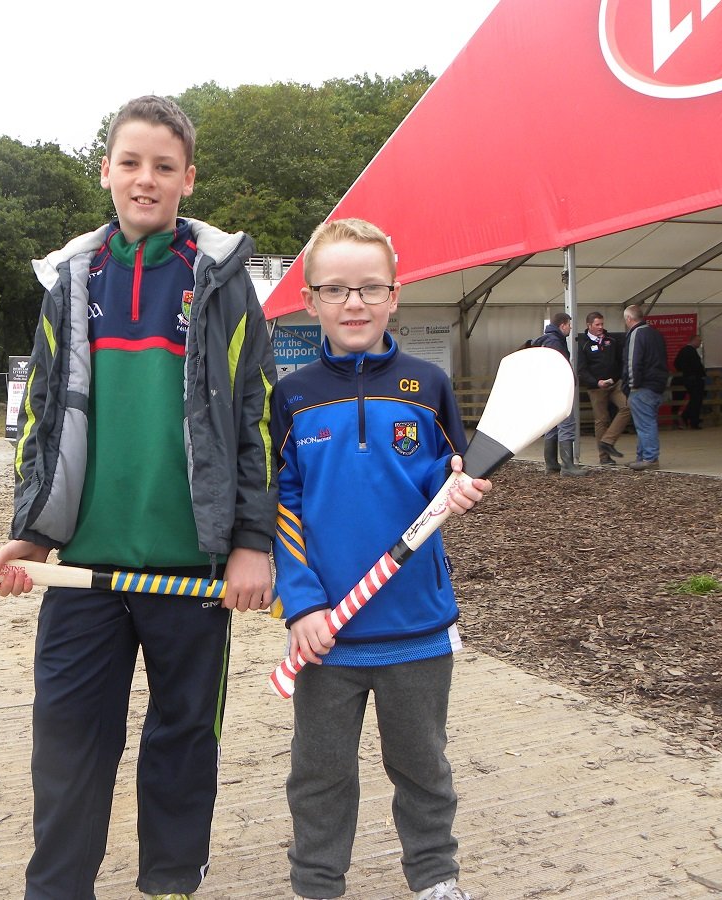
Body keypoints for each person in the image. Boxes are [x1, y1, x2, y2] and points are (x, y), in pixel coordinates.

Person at [0, 95, 277, 900]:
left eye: (164, 167)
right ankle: (58, 889)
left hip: (192, 572)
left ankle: (171, 885)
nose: (146, 179)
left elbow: (254, 414)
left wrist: (254, 539)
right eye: (131, 162)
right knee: (70, 742)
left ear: (188, 180)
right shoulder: (73, 282)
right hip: (84, 571)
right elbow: (41, 419)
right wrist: (34, 535)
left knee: (183, 740)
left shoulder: (218, 283)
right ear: (107, 170)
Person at [272, 218, 491, 900]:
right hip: (327, 637)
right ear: (310, 301)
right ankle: (317, 884)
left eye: (370, 287)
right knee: (320, 774)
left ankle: (435, 878)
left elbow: (439, 476)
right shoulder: (293, 396)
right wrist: (302, 605)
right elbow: (284, 510)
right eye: (336, 289)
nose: (355, 303)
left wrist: (456, 486)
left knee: (423, 768)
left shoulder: (427, 385)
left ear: (395, 296)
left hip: (418, 631)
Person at [535, 312, 588, 476]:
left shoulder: (545, 340)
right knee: (566, 424)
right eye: (569, 325)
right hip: (559, 389)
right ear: (562, 325)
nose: (571, 328)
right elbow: (558, 366)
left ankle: (551, 464)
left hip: (548, 389)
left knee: (552, 426)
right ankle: (567, 466)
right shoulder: (555, 342)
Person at [576, 311, 631, 464]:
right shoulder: (583, 343)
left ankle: (607, 441)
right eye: (597, 325)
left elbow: (620, 360)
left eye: (602, 324)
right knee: (602, 420)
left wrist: (617, 377)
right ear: (589, 325)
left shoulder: (611, 340)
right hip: (596, 387)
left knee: (627, 407)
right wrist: (596, 382)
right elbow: (581, 369)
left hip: (614, 383)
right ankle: (604, 456)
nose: (601, 327)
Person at [621, 304, 668, 470]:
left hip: (642, 386)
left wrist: (631, 385)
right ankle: (642, 456)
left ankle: (650, 458)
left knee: (645, 424)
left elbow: (633, 362)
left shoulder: (636, 334)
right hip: (657, 385)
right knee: (646, 422)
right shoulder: (655, 334)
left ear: (629, 318)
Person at [673, 333, 706, 429]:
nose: (700, 343)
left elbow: (676, 363)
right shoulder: (690, 351)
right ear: (694, 340)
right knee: (696, 400)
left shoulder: (684, 350)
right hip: (694, 379)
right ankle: (692, 420)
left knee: (694, 399)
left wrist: (683, 371)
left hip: (688, 378)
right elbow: (697, 366)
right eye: (699, 341)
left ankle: (688, 416)